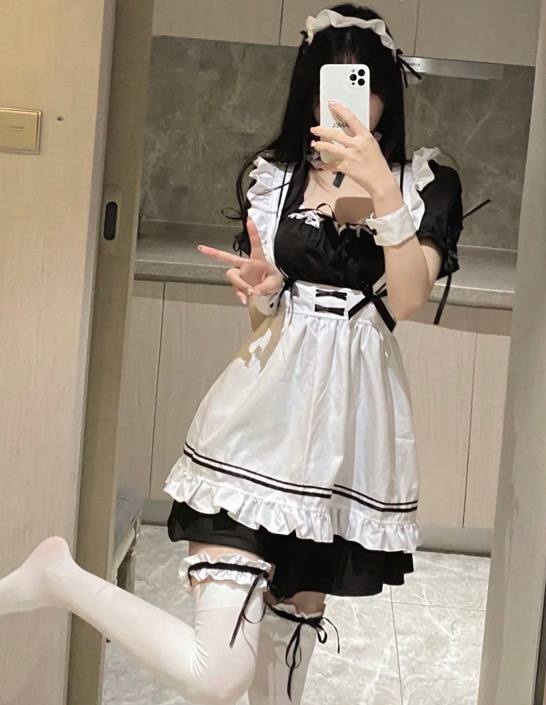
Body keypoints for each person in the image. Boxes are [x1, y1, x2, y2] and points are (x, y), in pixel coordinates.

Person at [0, 4, 463, 704]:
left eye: (365, 85)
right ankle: (59, 576)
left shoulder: (424, 182)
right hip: (256, 428)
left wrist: (380, 185)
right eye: (332, 83)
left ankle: (59, 578)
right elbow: (259, 322)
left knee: (285, 660)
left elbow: (405, 298)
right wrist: (265, 290)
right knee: (216, 675)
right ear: (308, 90)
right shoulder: (273, 177)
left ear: (387, 93)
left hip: (344, 446)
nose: (351, 103)